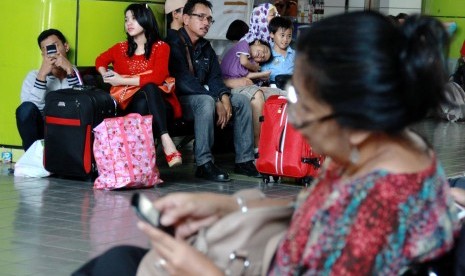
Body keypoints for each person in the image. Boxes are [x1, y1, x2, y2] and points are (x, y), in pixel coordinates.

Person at [73, 11, 461, 275]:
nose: (295, 118)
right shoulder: (384, 147)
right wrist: (227, 205)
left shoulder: (382, 211)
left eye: (299, 100)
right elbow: (319, 215)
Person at [165, 0, 260, 181]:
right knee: (206, 101)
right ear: (185, 18)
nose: (206, 22)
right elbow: (183, 81)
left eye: (209, 19)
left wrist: (223, 97)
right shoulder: (172, 42)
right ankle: (204, 163)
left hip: (204, 97)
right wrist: (215, 99)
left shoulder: (206, 47)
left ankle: (244, 161)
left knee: (240, 101)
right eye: (200, 17)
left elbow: (215, 77)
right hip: (179, 100)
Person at [95, 3, 182, 167]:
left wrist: (121, 80)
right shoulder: (120, 48)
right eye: (126, 19)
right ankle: (166, 141)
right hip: (128, 102)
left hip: (159, 103)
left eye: (134, 18)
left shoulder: (161, 47)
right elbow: (100, 60)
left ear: (145, 19)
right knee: (143, 96)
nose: (129, 23)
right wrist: (106, 75)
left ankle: (155, 148)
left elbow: (157, 78)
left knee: (149, 89)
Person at [16, 29, 81, 151]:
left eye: (55, 46)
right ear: (43, 54)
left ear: (66, 47)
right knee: (25, 108)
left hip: (71, 128)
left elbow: (82, 106)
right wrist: (42, 76)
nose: (52, 53)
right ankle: (32, 157)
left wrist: (69, 72)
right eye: (46, 50)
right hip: (44, 131)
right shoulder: (33, 77)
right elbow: (28, 114)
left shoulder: (77, 74)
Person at [221, 39, 285, 148]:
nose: (262, 55)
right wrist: (257, 70)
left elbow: (246, 77)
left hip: (244, 85)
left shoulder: (251, 62)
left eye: (263, 58)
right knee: (257, 93)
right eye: (264, 50)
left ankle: (283, 142)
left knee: (281, 94)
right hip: (229, 86)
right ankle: (257, 145)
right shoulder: (244, 44)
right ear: (257, 42)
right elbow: (243, 62)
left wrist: (260, 75)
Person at [261, 16, 295, 83]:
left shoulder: (294, 54)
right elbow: (263, 77)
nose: (285, 39)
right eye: (282, 35)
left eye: (289, 36)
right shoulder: (266, 54)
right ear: (272, 34)